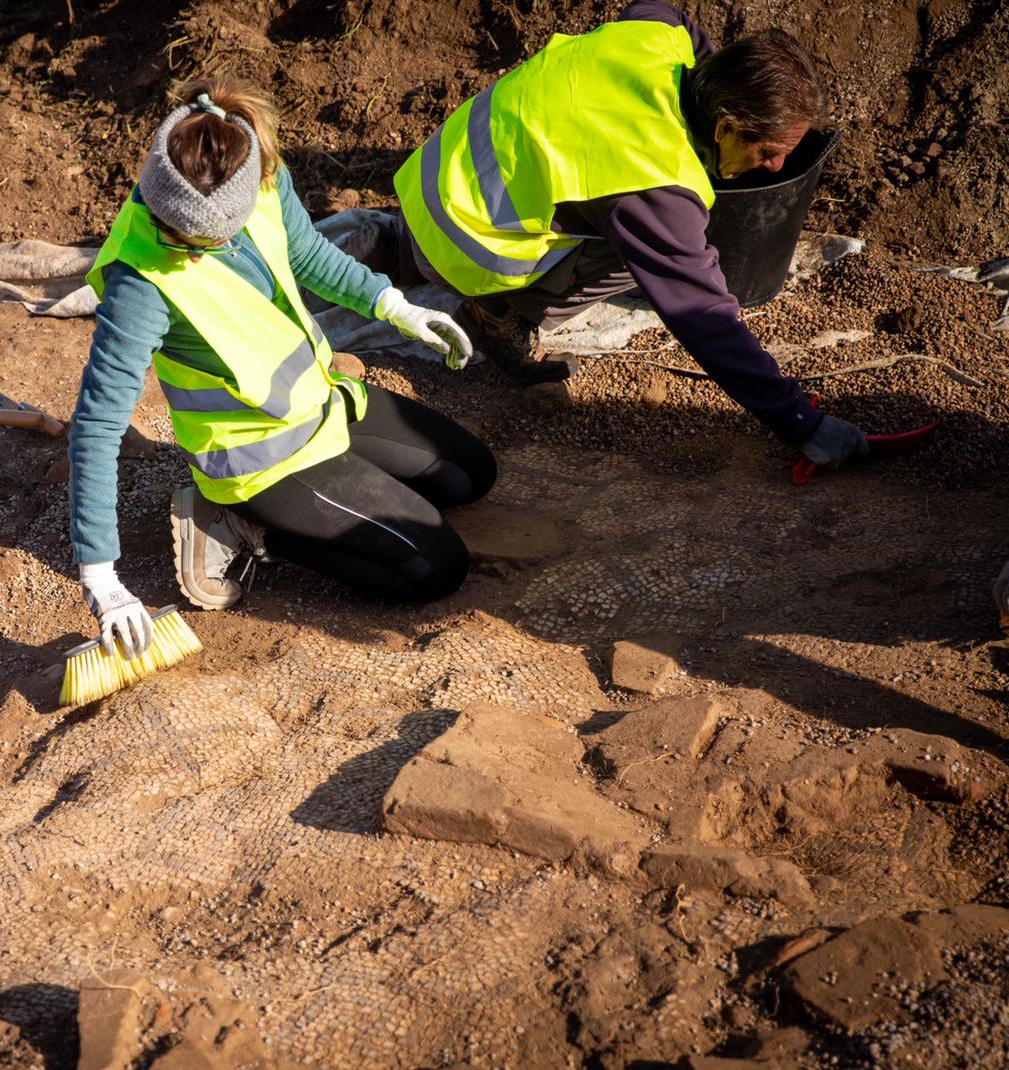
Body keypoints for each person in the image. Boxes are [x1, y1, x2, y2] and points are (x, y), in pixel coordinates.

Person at [67, 79, 499, 660]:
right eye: (181, 237)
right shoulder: (139, 283)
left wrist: (394, 306)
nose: (188, 250)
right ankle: (243, 527)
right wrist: (100, 575)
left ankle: (333, 493)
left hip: (320, 402)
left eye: (204, 240)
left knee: (471, 476)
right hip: (258, 458)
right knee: (437, 566)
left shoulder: (254, 169)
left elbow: (307, 254)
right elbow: (97, 426)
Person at [372, 0, 869, 472]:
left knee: (603, 209)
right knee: (647, 254)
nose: (776, 166)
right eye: (767, 152)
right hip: (465, 248)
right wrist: (799, 421)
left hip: (430, 182)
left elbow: (667, 13)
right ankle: (500, 314)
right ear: (725, 128)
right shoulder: (653, 183)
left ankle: (395, 248)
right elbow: (703, 316)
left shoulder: (656, 33)